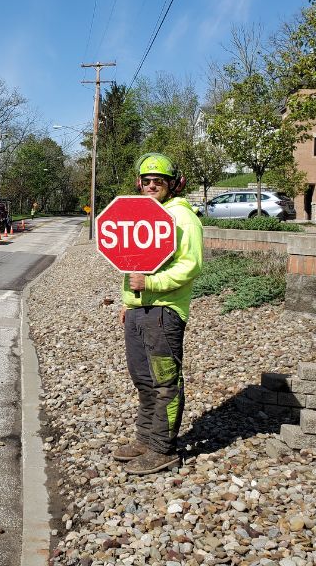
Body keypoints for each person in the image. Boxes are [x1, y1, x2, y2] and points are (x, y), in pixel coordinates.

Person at [112, 152, 203, 476]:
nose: (152, 185)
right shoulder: (144, 215)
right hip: (138, 309)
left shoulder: (182, 217)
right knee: (144, 380)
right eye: (147, 180)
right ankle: (144, 439)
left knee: (165, 382)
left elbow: (191, 266)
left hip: (165, 312)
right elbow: (131, 263)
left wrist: (152, 282)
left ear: (171, 185)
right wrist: (128, 301)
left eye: (159, 181)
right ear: (140, 183)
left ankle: (162, 448)